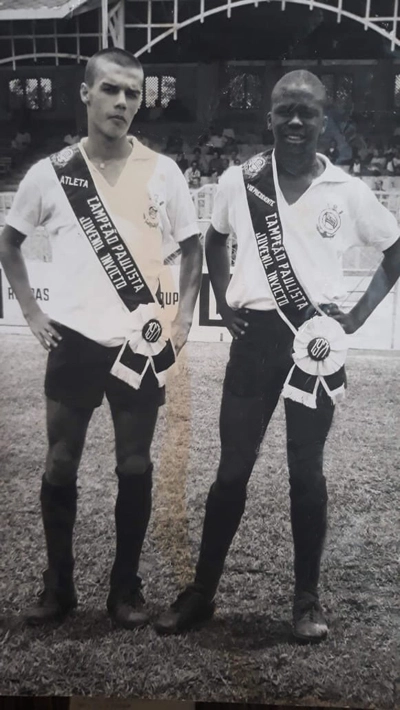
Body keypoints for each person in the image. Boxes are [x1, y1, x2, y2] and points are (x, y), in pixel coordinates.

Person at [155, 70, 400, 641]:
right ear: (268, 116)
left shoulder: (348, 191)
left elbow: (394, 249)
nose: (294, 121)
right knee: (231, 473)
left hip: (314, 345)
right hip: (255, 342)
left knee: (306, 474)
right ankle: (201, 592)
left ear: (323, 118)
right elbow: (213, 239)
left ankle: (307, 600)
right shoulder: (240, 181)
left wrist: (357, 317)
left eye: (306, 112)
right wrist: (220, 296)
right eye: (284, 110)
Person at [0, 48, 202, 629]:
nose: (121, 102)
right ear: (85, 94)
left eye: (132, 93)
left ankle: (124, 589)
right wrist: (35, 314)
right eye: (110, 90)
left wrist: (183, 317)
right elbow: (9, 242)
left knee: (134, 464)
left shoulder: (163, 171)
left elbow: (193, 249)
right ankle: (57, 586)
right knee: (61, 462)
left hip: (137, 343)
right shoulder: (50, 173)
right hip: (74, 341)